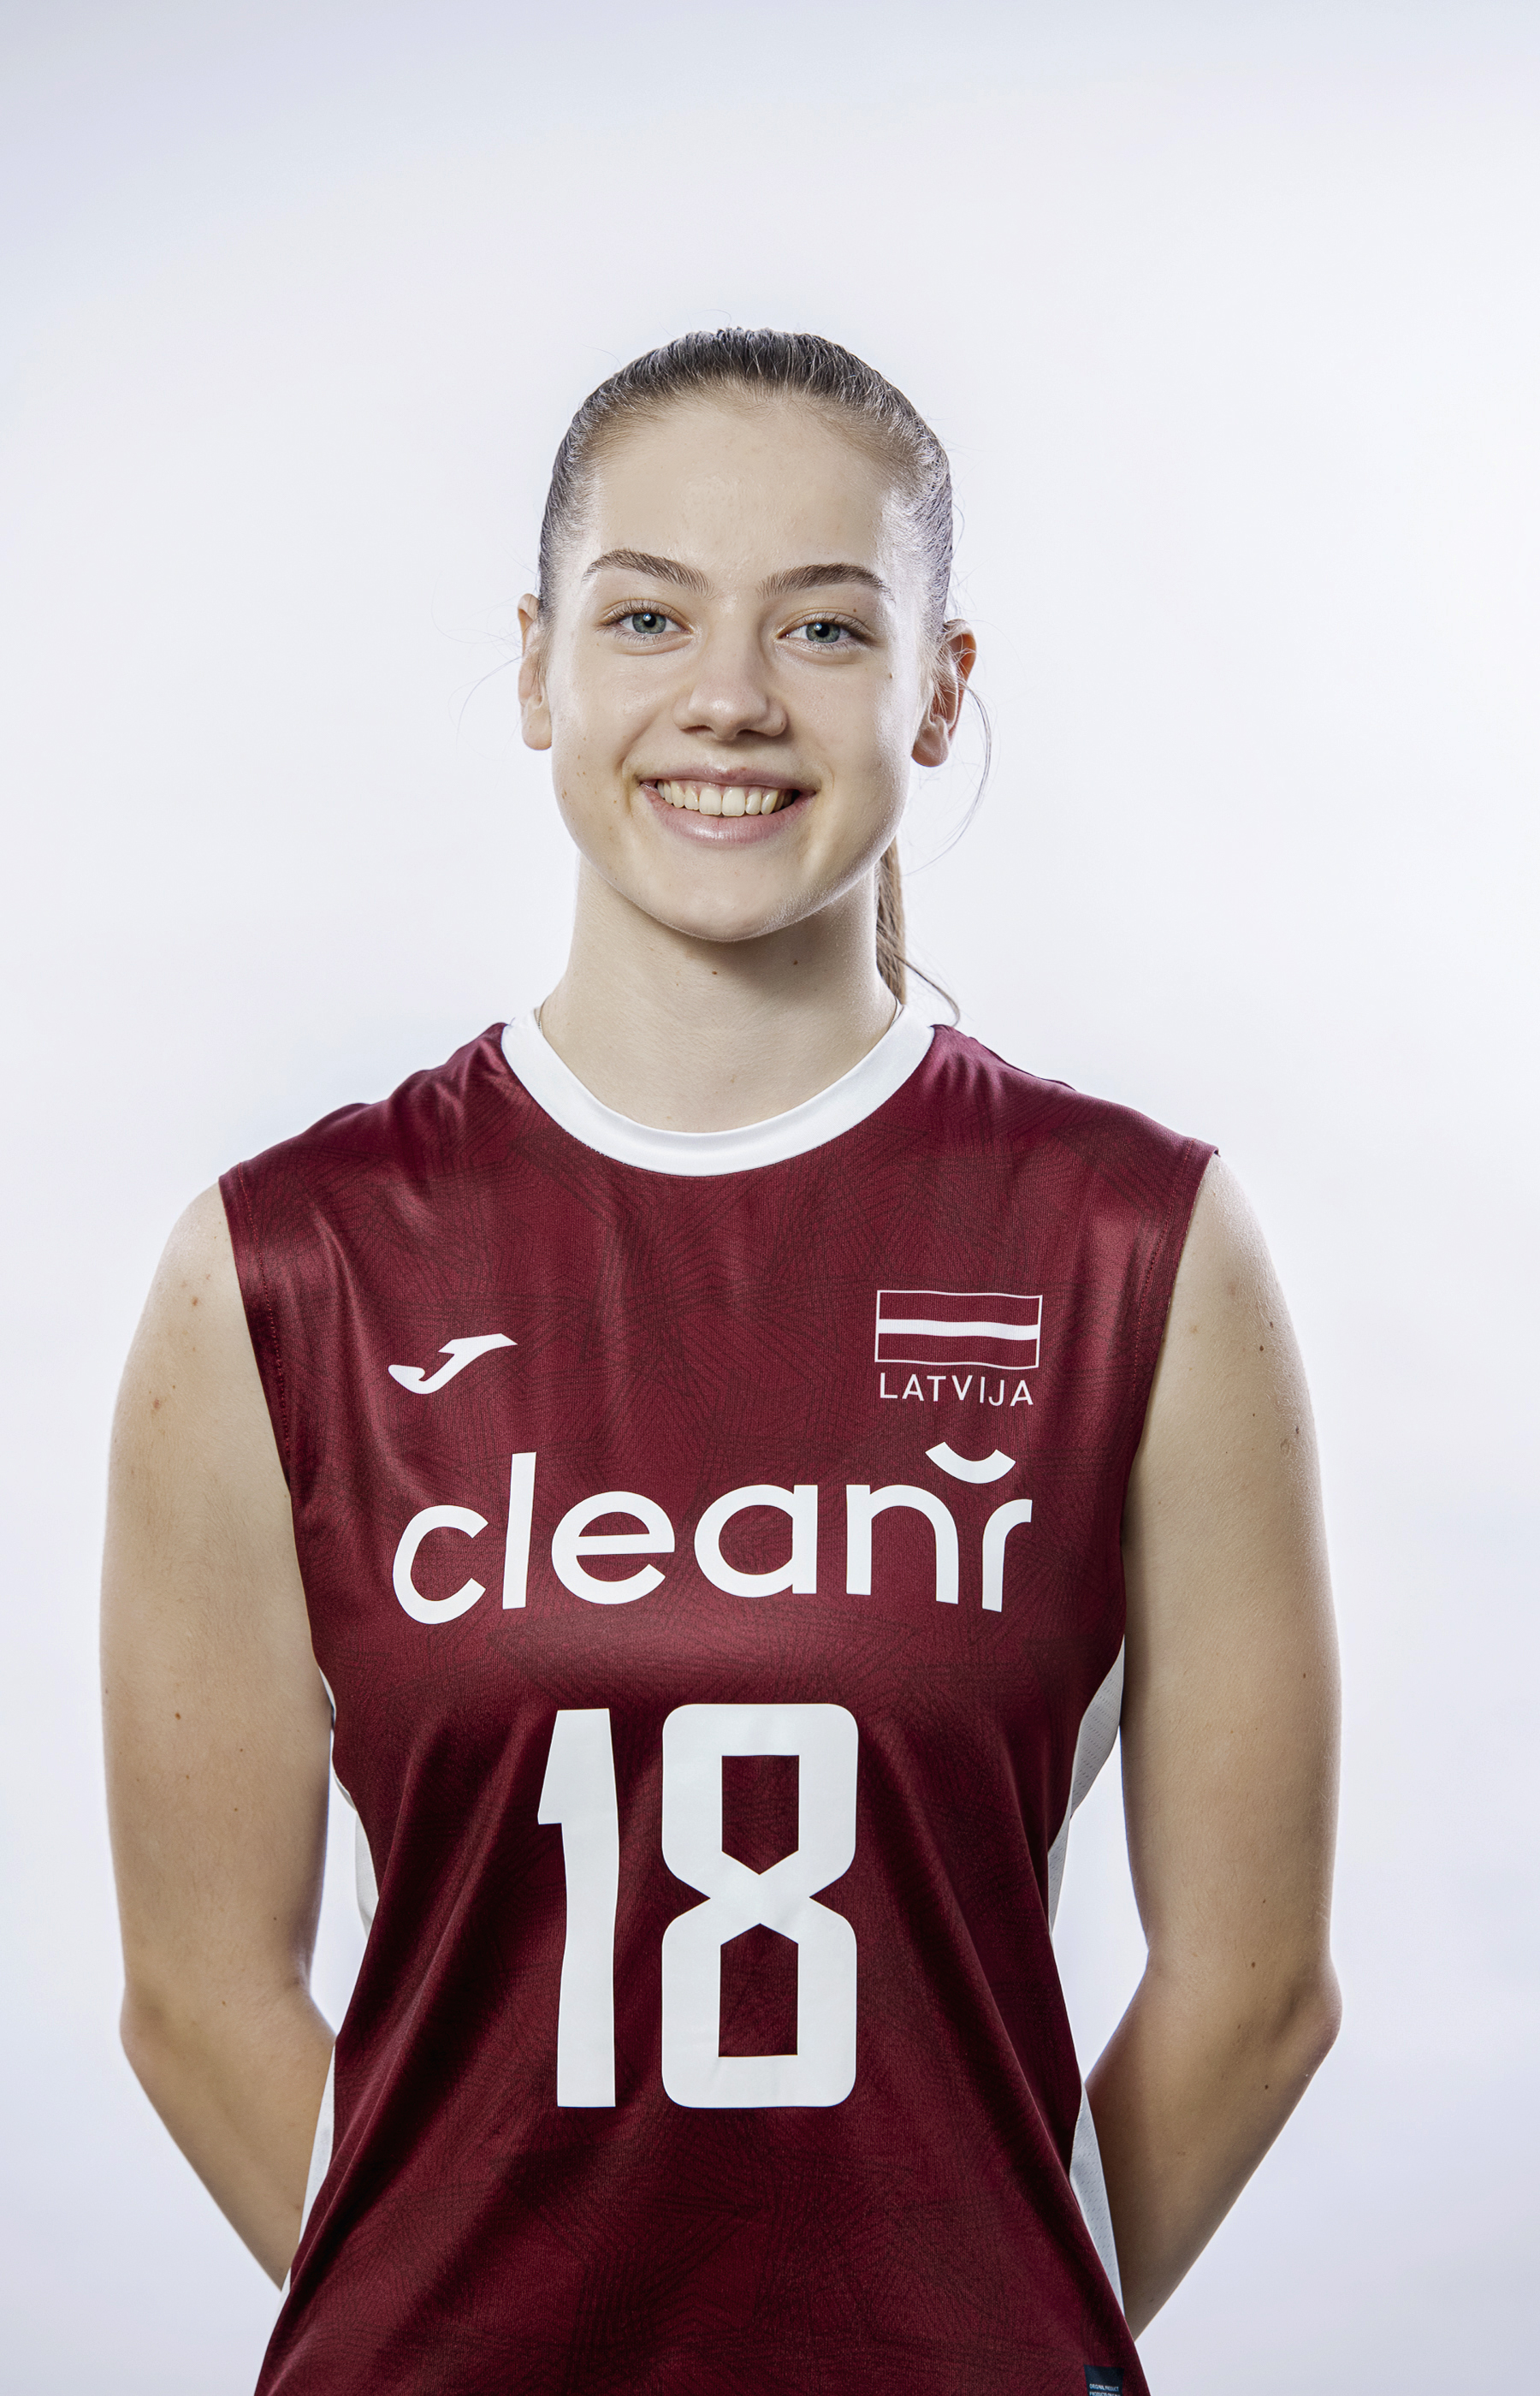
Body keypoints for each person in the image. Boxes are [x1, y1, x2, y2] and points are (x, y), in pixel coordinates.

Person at [102, 329, 1341, 2396]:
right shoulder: (284, 1266)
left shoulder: (1139, 1245)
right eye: (649, 614)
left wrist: (985, 2324)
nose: (732, 697)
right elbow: (198, 1991)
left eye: (826, 624)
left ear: (939, 688)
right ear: (537, 667)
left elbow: (1258, 1988)